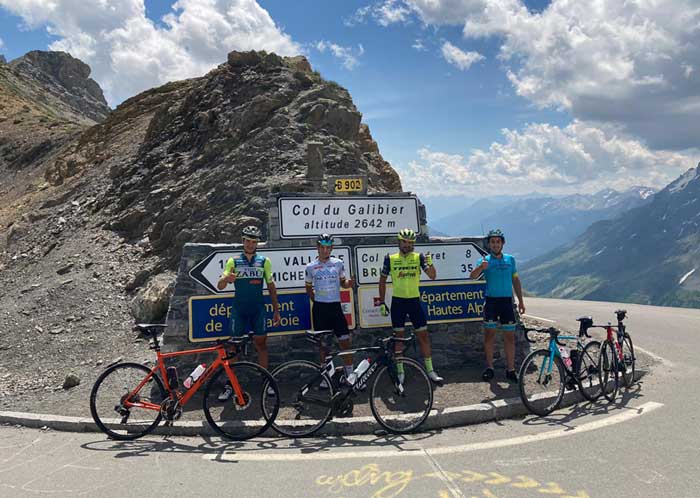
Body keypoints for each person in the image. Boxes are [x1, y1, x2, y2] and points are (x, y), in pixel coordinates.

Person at [216, 225, 281, 400]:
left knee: (261, 345)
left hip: (258, 308)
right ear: (243, 241)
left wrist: (276, 310)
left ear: (257, 243)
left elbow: (271, 286)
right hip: (239, 309)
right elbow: (220, 285)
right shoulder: (233, 261)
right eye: (248, 241)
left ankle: (266, 382)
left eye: (254, 242)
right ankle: (231, 385)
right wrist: (226, 279)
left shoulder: (264, 261)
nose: (251, 244)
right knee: (233, 348)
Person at [378, 228, 443, 384]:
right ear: (399, 242)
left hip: (414, 301)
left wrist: (430, 263)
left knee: (424, 336)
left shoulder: (419, 257)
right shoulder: (390, 258)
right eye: (404, 242)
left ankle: (430, 370)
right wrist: (381, 302)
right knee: (398, 339)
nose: (407, 245)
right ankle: (400, 372)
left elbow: (433, 276)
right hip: (398, 302)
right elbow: (382, 280)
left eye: (410, 242)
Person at [469, 228, 525, 383]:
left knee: (510, 338)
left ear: (502, 243)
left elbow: (515, 280)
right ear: (489, 244)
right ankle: (490, 368)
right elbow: (472, 276)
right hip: (492, 302)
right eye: (492, 242)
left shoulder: (510, 259)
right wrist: (481, 267)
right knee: (489, 336)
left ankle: (511, 370)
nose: (495, 244)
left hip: (507, 302)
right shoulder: (484, 260)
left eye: (498, 241)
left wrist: (521, 300)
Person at [305, 234, 355, 384]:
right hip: (320, 309)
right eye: (322, 247)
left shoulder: (338, 263)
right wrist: (319, 300)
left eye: (328, 247)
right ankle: (327, 378)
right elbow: (308, 289)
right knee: (323, 346)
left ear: (331, 248)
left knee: (345, 342)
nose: (325, 250)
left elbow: (343, 283)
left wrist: (348, 283)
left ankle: (350, 375)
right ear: (317, 248)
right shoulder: (310, 267)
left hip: (335, 307)